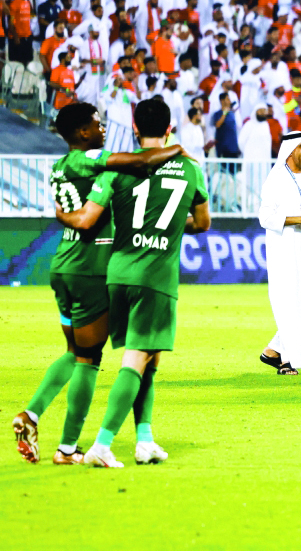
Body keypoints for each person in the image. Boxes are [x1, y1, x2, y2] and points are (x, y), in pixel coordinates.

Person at [12, 103, 184, 465]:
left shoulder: (60, 167)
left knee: (74, 351)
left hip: (63, 264)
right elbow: (138, 163)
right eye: (97, 124)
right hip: (91, 266)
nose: (103, 129)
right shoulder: (90, 159)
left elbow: (75, 211)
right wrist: (175, 149)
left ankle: (32, 414)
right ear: (82, 132)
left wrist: (62, 216)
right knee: (90, 360)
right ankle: (68, 448)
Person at [57, 98, 210, 467]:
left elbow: (90, 215)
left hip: (119, 273)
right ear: (170, 129)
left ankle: (145, 439)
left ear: (136, 129)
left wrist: (62, 214)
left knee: (149, 360)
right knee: (137, 358)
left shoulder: (116, 168)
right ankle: (102, 445)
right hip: (156, 276)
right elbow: (203, 223)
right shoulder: (191, 169)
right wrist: (172, 226)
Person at [258, 132, 301, 375]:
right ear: (290, 150)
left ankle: (274, 350)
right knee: (289, 304)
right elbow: (265, 217)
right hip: (284, 253)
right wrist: (299, 219)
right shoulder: (275, 178)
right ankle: (287, 361)